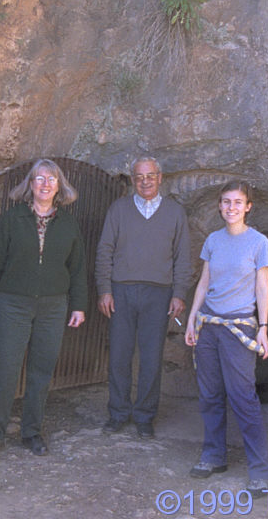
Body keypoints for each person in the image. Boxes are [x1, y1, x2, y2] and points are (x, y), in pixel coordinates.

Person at [0, 159, 87, 461]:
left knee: (41, 371)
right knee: (5, 368)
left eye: (51, 179)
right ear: (30, 185)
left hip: (53, 306)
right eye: (39, 179)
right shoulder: (12, 219)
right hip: (13, 303)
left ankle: (31, 432)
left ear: (59, 186)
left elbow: (77, 269)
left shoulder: (68, 224)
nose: (45, 184)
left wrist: (78, 305)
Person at [184, 180, 268, 496]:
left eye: (238, 202)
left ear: (248, 207)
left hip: (239, 328)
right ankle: (213, 456)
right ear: (219, 206)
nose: (231, 207)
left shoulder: (259, 243)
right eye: (226, 202)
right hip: (209, 325)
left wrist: (263, 328)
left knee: (242, 396)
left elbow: (262, 287)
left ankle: (260, 470)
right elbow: (204, 282)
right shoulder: (213, 240)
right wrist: (193, 319)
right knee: (209, 394)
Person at [95, 156, 192, 439]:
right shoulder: (119, 209)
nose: (145, 181)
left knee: (151, 358)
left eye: (150, 176)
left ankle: (145, 416)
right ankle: (118, 413)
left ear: (160, 178)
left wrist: (179, 294)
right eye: (139, 177)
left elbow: (182, 258)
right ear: (132, 180)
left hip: (158, 293)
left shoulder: (175, 213)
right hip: (122, 291)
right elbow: (104, 251)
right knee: (119, 356)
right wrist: (105, 289)